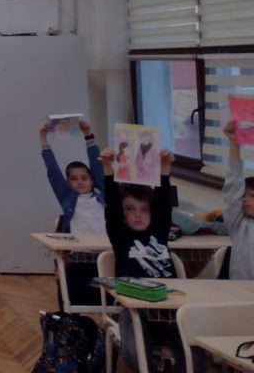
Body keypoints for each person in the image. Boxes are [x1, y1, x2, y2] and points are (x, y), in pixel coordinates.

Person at [101, 146, 181, 372]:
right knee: (133, 353)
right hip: (134, 308)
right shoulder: (121, 236)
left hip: (170, 306)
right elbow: (112, 206)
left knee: (194, 353)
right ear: (123, 214)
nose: (137, 214)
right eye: (130, 209)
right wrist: (108, 168)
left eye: (144, 209)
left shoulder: (159, 231)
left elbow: (163, 204)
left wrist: (165, 169)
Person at [39, 119, 106, 307]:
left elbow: (97, 166)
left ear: (92, 180)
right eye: (74, 179)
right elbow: (53, 170)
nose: (80, 182)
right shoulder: (67, 198)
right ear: (68, 183)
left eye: (84, 178)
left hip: (105, 253)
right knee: (68, 286)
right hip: (79, 254)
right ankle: (67, 316)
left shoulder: (103, 197)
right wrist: (43, 138)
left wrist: (88, 135)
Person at [221, 119, 254, 278]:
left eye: (252, 196)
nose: (244, 199)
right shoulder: (240, 225)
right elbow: (233, 185)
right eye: (243, 195)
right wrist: (234, 143)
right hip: (239, 291)